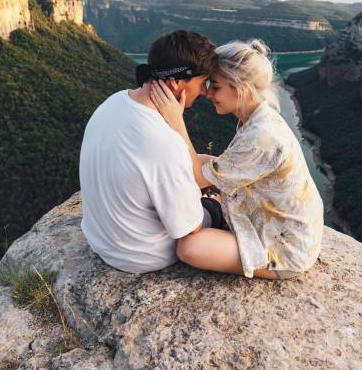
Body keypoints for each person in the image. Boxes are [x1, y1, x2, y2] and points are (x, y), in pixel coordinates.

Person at [149, 39, 323, 280]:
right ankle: (217, 215)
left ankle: (220, 220)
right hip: (274, 228)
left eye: (216, 87)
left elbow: (199, 177)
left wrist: (176, 122)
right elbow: (215, 167)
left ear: (241, 88)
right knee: (199, 160)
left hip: (285, 250)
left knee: (188, 248)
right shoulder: (259, 117)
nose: (208, 93)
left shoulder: (261, 138)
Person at [79, 30, 223, 273]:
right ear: (177, 83)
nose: (206, 92)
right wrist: (213, 205)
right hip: (140, 255)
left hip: (100, 240)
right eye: (202, 83)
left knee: (202, 166)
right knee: (214, 207)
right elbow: (190, 229)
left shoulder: (112, 102)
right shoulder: (163, 143)